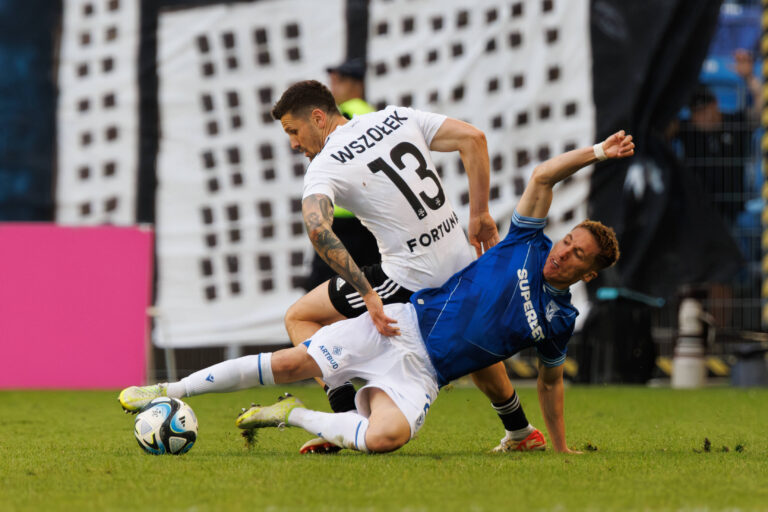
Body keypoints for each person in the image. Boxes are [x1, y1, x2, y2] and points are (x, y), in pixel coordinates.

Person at [120, 131, 633, 454]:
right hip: (401, 322)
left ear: (588, 274)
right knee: (291, 361)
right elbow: (543, 175)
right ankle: (166, 392)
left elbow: (550, 383)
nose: (563, 253)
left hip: (426, 374)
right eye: (568, 241)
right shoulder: (525, 240)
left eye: (577, 255)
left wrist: (562, 449)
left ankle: (290, 415)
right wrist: (597, 153)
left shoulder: (561, 321)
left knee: (387, 438)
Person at [301, 57, 380, 292]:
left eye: (340, 81)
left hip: (344, 217)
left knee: (319, 288)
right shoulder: (373, 114)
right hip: (369, 211)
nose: (334, 87)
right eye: (333, 81)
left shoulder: (341, 116)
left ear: (357, 85)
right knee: (373, 281)